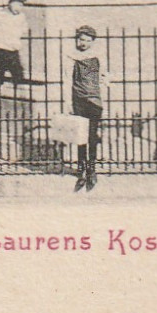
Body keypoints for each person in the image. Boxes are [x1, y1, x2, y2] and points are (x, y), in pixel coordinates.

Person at [69, 25, 109, 192]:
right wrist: (67, 102)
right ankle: (80, 170)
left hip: (94, 100)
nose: (83, 43)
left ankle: (92, 170)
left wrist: (104, 93)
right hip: (78, 99)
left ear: (93, 42)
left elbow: (104, 77)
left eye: (87, 40)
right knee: (80, 135)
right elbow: (67, 79)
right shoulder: (72, 57)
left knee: (92, 136)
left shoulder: (98, 57)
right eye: (81, 39)